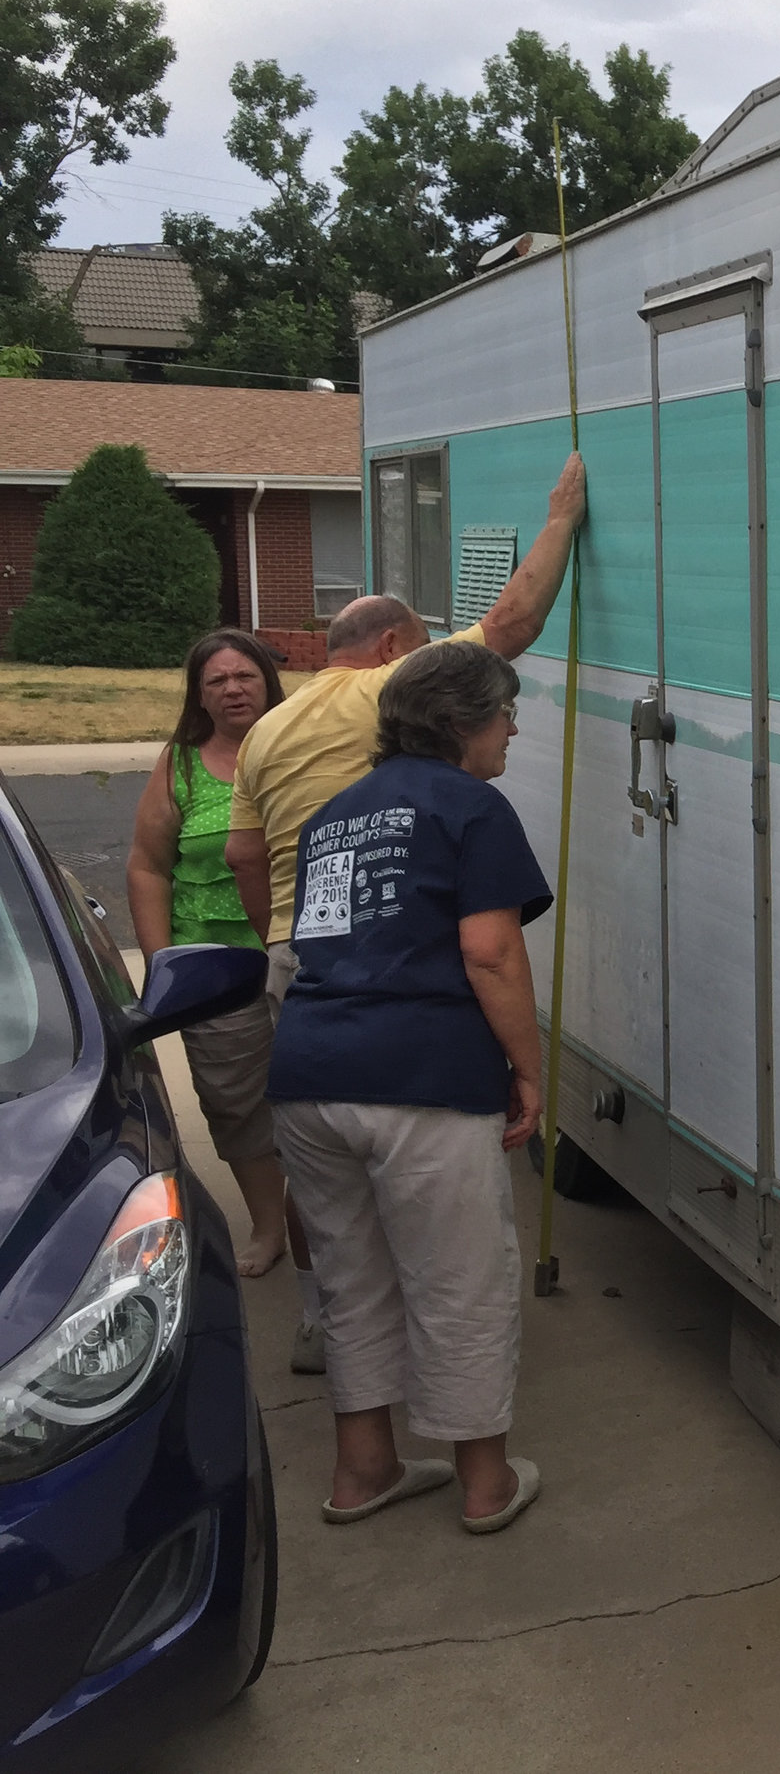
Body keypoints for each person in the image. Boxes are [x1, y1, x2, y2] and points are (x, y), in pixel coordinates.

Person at [226, 452, 584, 1370]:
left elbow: (244, 853)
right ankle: (454, 1393)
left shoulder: (267, 726)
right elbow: (511, 622)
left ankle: (327, 1323)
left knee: (328, 1178)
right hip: (403, 959)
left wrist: (287, 939)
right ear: (395, 650)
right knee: (426, 1184)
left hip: (300, 965)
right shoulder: (395, 693)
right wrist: (562, 517)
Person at [268, 639, 552, 1531]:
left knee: (353, 1281)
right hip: (421, 1077)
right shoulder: (475, 806)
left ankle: (364, 1472)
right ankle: (484, 1484)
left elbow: (317, 942)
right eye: (505, 710)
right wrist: (531, 1070)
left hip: (311, 1073)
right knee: (460, 1279)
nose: (512, 728)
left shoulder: (333, 815)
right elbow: (490, 950)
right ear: (464, 721)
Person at [126, 631, 316, 1292]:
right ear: (198, 696)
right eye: (217, 681)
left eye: (245, 675)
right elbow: (149, 867)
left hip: (302, 956)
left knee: (317, 1100)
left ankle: (319, 1228)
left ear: (267, 681)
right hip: (215, 969)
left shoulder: (302, 748)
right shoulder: (180, 764)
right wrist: (165, 965)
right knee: (236, 1103)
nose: (233, 688)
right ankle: (268, 1225)